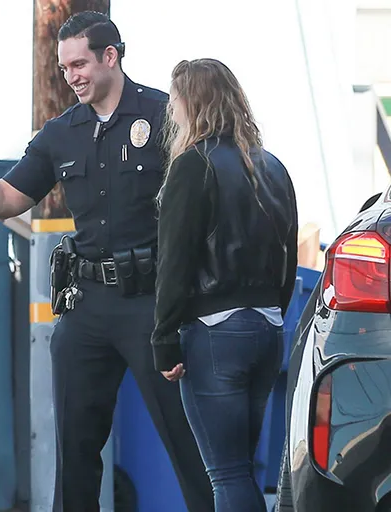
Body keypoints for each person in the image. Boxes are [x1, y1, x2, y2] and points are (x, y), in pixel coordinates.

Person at [0, 11, 213, 512]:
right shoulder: (61, 132)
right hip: (89, 304)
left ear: (110, 57)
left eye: (80, 64)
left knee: (188, 444)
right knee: (74, 450)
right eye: (63, 68)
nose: (71, 76)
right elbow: (6, 197)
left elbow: (206, 199)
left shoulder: (164, 116)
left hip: (154, 304)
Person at [151, 58, 299, 512]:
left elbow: (175, 262)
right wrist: (272, 311)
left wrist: (164, 341)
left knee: (227, 474)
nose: (171, 111)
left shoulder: (194, 165)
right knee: (243, 470)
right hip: (267, 329)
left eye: (174, 100)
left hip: (215, 333)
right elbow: (289, 257)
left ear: (191, 103)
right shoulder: (272, 167)